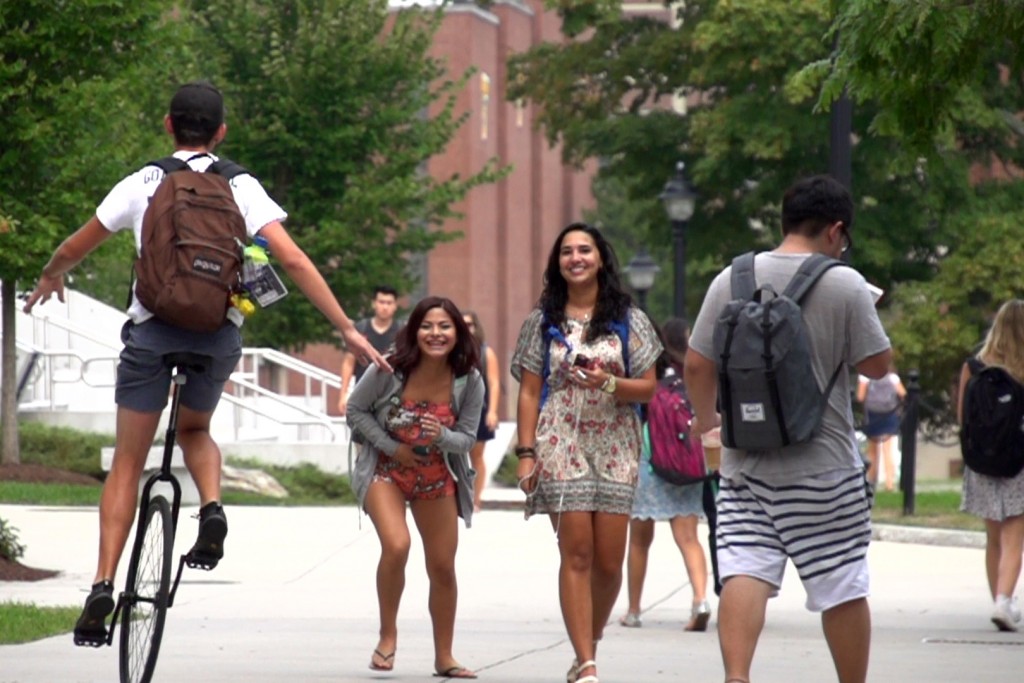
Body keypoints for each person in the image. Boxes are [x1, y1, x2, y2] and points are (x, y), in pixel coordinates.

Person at [21, 81, 389, 646]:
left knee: (128, 461)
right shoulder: (241, 184)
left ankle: (101, 584)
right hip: (216, 335)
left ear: (168, 126)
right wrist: (344, 327)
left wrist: (51, 273)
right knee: (195, 427)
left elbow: (75, 246)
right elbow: (289, 257)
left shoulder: (144, 181)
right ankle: (212, 507)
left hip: (151, 333)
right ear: (221, 132)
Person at [684, 175, 891, 683]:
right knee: (840, 583)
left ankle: (737, 678)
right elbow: (877, 366)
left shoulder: (729, 279)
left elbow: (695, 363)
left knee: (744, 570)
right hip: (823, 467)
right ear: (836, 231)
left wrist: (707, 422)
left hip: (745, 464)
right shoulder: (845, 283)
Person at [511, 223, 661, 683]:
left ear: (600, 258)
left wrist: (608, 382)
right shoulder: (543, 320)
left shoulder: (628, 317)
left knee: (610, 562)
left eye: (584, 250)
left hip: (616, 442)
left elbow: (649, 388)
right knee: (576, 553)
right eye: (566, 252)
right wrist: (526, 452)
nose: (575, 258)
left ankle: (585, 646)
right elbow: (529, 392)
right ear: (557, 263)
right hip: (562, 441)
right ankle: (590, 664)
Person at [347, 296, 484, 679]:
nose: (435, 334)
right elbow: (354, 410)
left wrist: (442, 435)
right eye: (427, 326)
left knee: (442, 567)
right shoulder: (390, 368)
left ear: (457, 333)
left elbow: (468, 438)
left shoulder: (468, 379)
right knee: (397, 544)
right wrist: (393, 447)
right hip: (386, 470)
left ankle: (445, 657)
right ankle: (387, 636)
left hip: (437, 477)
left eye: (445, 326)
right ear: (414, 330)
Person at [619, 317, 711, 633]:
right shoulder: (692, 372)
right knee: (688, 538)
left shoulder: (646, 372)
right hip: (684, 462)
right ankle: (700, 599)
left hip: (650, 459)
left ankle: (633, 611)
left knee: (639, 541)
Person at [957, 299, 1024, 632]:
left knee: (993, 537)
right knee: (1015, 537)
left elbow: (962, 418)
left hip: (981, 462)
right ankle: (1003, 601)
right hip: (1018, 464)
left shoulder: (974, 365)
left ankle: (998, 599)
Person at [337, 285, 401, 415]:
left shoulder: (402, 331)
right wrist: (343, 394)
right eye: (381, 302)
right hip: (363, 395)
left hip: (394, 397)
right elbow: (349, 363)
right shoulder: (360, 329)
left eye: (389, 303)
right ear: (374, 304)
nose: (385, 307)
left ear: (395, 306)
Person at [462, 310, 501, 512]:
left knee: (476, 457)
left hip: (480, 411)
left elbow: (494, 384)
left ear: (476, 327)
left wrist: (493, 412)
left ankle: (475, 500)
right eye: (462, 324)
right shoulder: (450, 351)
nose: (466, 328)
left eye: (469, 324)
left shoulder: (486, 352)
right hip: (456, 412)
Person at [857, 365, 906, 491]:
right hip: (889, 413)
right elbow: (903, 393)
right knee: (888, 451)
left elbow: (860, 396)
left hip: (873, 414)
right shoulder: (892, 376)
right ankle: (889, 483)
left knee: (872, 451)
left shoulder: (865, 376)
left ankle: (871, 481)